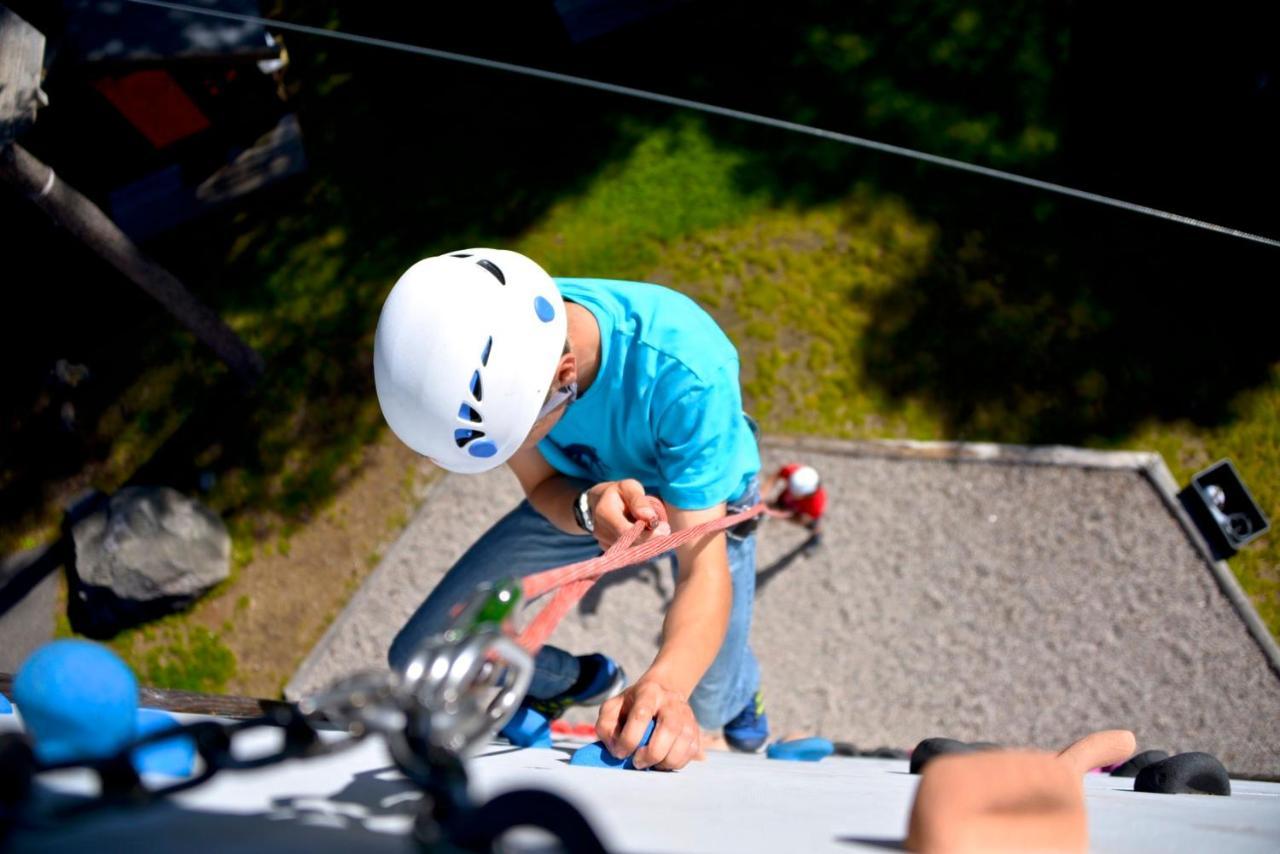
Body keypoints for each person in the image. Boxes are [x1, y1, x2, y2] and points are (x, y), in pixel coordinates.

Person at [374, 248, 768, 771]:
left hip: (705, 503)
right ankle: (576, 681)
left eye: (520, 436)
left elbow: (701, 567)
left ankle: (743, 694)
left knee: (710, 698)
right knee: (424, 657)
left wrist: (666, 687)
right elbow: (543, 485)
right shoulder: (491, 346)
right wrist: (586, 506)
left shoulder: (686, 370)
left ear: (565, 375)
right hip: (586, 491)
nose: (521, 446)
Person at [769, 463, 827, 548]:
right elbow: (778, 474)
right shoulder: (793, 472)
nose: (792, 493)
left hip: (802, 513)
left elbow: (802, 520)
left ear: (808, 495)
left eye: (795, 494)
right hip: (787, 504)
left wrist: (781, 515)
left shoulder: (816, 505)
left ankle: (816, 536)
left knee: (813, 526)